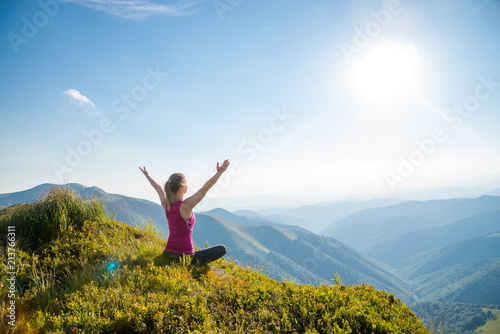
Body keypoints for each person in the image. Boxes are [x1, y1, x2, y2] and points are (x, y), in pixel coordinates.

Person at [139, 160, 229, 266]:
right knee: (222, 249)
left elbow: (158, 188)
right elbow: (204, 189)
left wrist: (147, 175)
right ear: (183, 188)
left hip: (168, 253)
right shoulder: (185, 206)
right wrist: (220, 172)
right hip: (185, 257)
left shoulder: (166, 205)